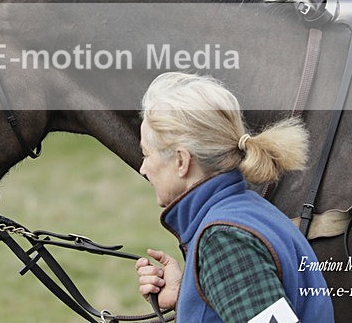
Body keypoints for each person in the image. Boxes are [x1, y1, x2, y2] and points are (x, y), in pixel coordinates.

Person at [135, 72, 334, 322]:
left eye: (147, 154)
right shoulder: (248, 210)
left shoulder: (224, 241)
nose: (143, 169)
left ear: (181, 161)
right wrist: (187, 297)